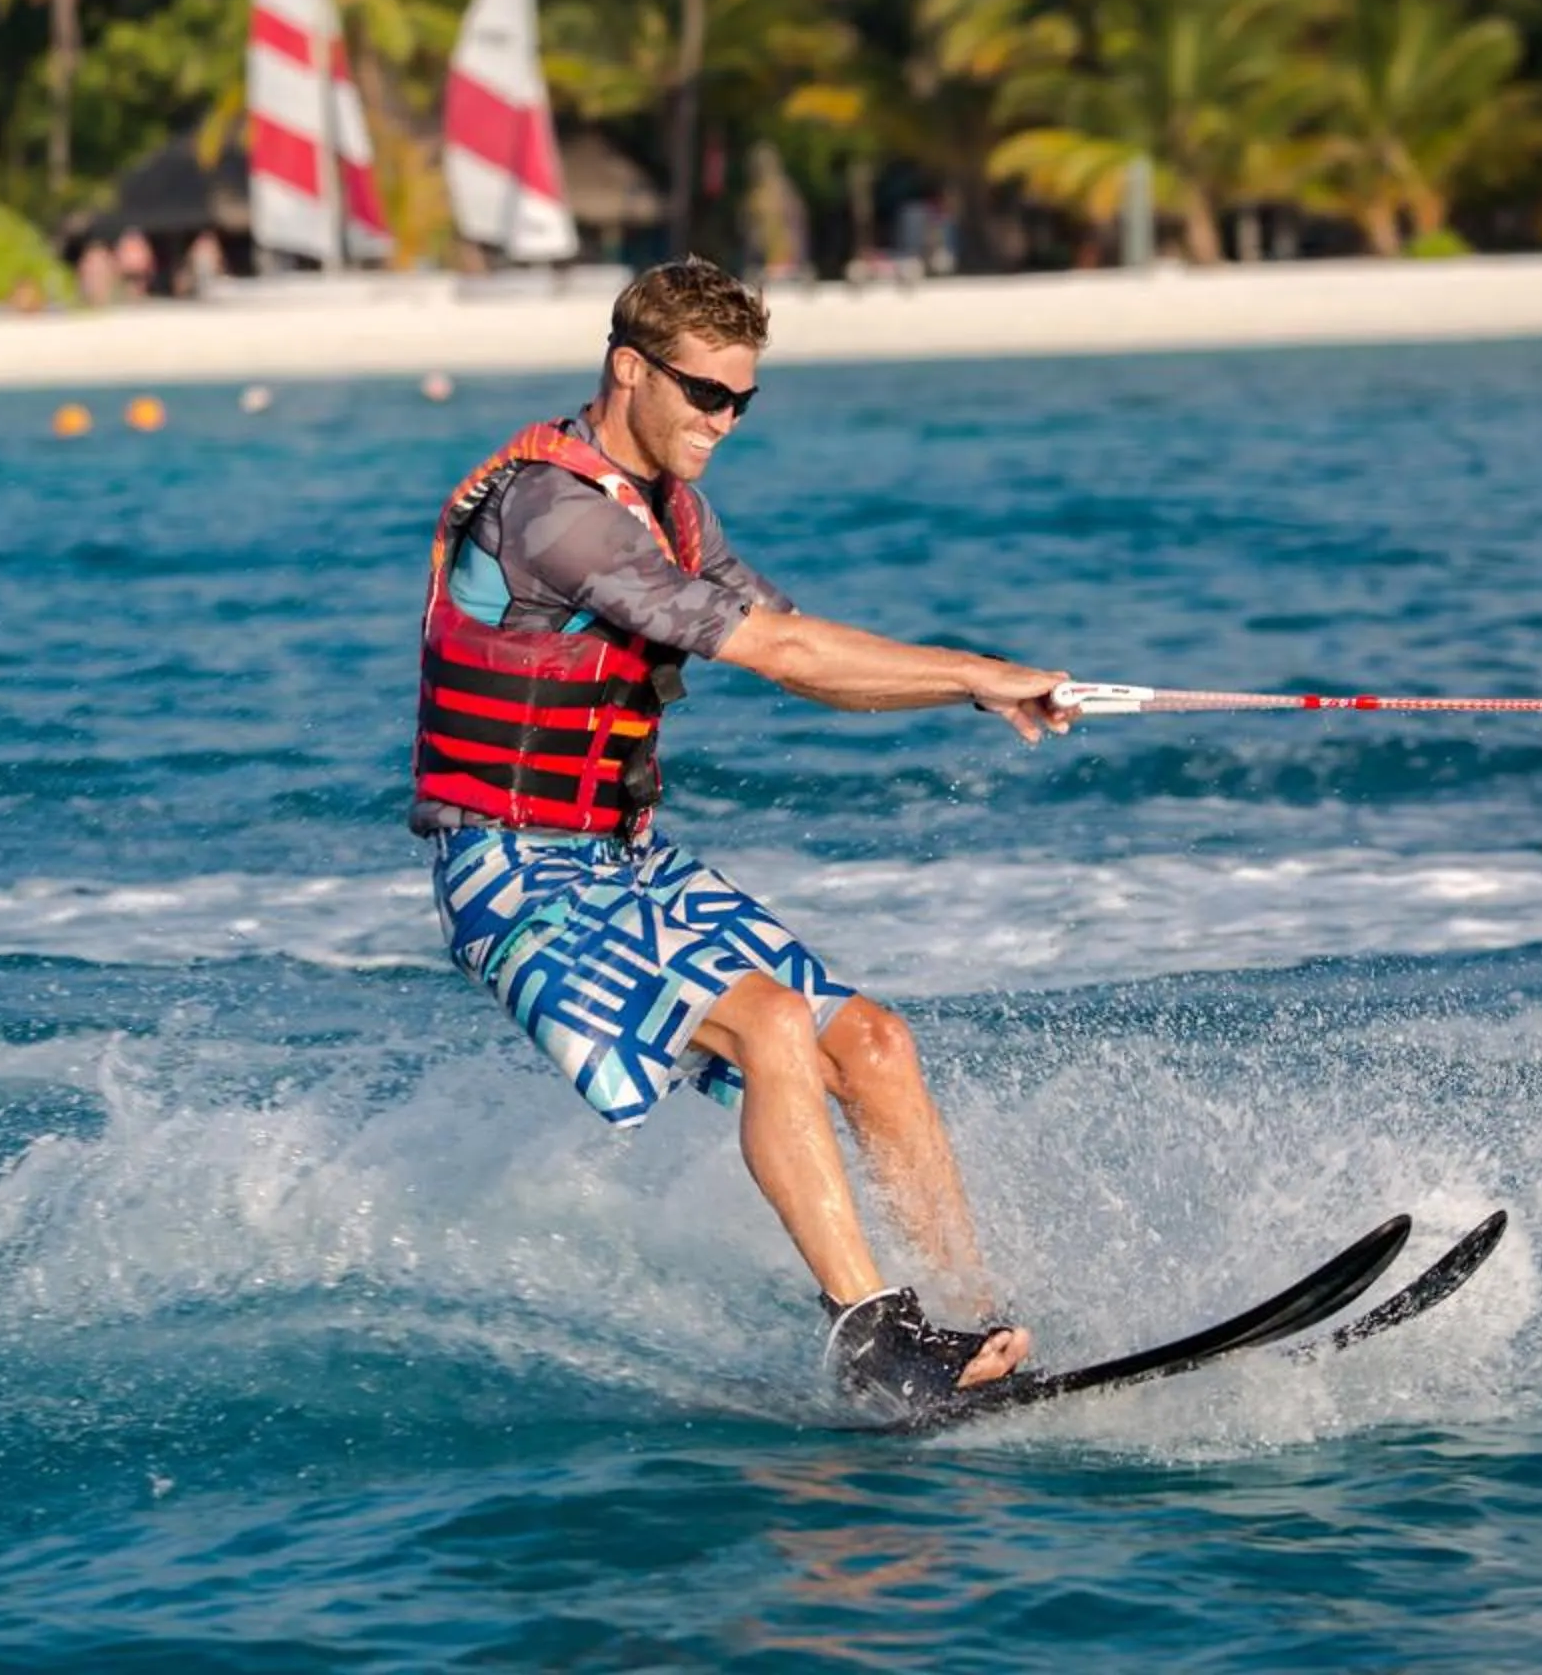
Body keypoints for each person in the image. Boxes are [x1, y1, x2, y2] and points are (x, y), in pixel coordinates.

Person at [411, 256, 1079, 1410]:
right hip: (510, 871)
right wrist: (975, 667)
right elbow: (777, 653)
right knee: (770, 1020)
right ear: (630, 369)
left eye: (743, 400)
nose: (724, 421)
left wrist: (981, 691)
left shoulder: (671, 504)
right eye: (705, 395)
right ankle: (872, 1338)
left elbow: (800, 648)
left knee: (872, 1042)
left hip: (622, 862)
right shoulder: (553, 511)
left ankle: (975, 1324)